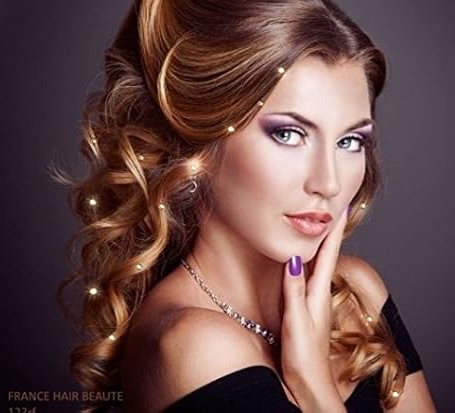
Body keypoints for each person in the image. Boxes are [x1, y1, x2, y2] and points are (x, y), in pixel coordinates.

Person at [55, 0, 437, 412]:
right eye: (288, 134)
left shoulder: (357, 293)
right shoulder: (194, 346)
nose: (328, 183)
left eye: (350, 141)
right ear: (202, 142)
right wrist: (313, 387)